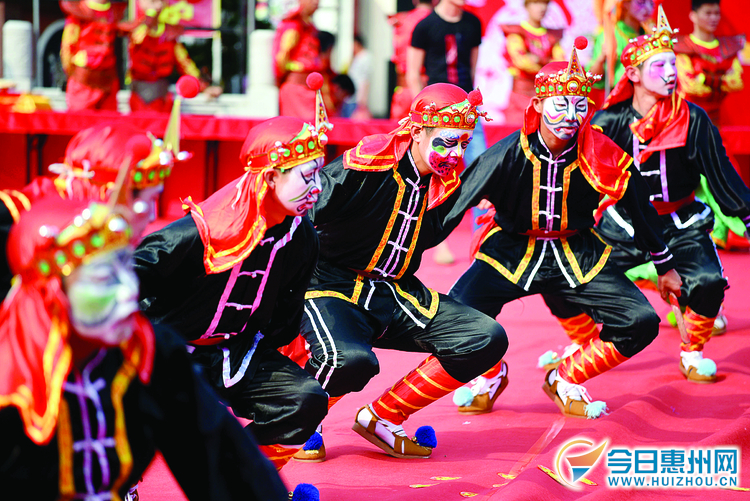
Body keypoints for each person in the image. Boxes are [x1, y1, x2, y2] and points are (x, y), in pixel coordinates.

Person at [0, 189, 289, 500]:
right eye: (104, 278)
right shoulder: (10, 386)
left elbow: (228, 468)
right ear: (52, 291)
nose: (129, 290)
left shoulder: (149, 355)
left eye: (126, 265)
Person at [448, 37, 682, 419]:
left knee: (641, 321)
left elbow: (639, 207)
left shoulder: (601, 151)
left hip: (577, 253)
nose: (572, 115)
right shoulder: (506, 154)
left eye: (580, 105)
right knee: (452, 318)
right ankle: (489, 374)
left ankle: (566, 377)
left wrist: (665, 265)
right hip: (511, 251)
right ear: (539, 105)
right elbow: (452, 203)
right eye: (561, 104)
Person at [292, 83, 508, 462]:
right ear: (417, 132)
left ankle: (384, 417)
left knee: (485, 338)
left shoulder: (444, 183)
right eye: (447, 142)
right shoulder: (368, 162)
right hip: (332, 286)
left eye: (463, 144)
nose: (455, 154)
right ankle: (302, 418)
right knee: (352, 361)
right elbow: (303, 209)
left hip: (396, 292)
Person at [134, 79, 332, 470]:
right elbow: (135, 275)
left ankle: (242, 478)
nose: (317, 187)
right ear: (270, 177)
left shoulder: (302, 236)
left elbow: (286, 313)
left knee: (305, 399)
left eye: (318, 175)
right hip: (169, 352)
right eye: (307, 176)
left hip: (236, 352)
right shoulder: (204, 229)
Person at [583, 6, 750, 384]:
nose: (671, 72)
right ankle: (582, 343)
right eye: (659, 66)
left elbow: (721, 173)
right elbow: (582, 174)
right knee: (575, 280)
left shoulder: (693, 118)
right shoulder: (609, 122)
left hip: (679, 221)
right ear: (633, 74)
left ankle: (692, 352)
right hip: (624, 224)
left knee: (709, 282)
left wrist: (747, 215)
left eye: (673, 64)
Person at [408, 0, 484, 265]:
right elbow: (413, 73)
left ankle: (481, 240)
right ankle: (437, 242)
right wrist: (420, 113)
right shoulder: (425, 26)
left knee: (481, 170)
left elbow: (472, 69)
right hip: (435, 112)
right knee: (432, 173)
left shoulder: (473, 23)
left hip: (467, 112)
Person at [125, 0, 223, 113]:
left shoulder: (170, 34)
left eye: (158, 1)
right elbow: (137, 39)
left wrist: (203, 87)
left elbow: (185, 63)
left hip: (161, 96)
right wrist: (148, 20)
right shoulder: (135, 30)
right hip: (138, 94)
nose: (156, 6)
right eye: (151, 1)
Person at [674, 0, 744, 124]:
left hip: (715, 119)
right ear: (693, 15)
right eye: (708, 13)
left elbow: (737, 83)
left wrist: (703, 78)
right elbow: (689, 86)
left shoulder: (728, 47)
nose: (713, 18)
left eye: (716, 13)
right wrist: (722, 80)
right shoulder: (683, 46)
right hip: (687, 118)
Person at [501, 0, 565, 125]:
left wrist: (537, 59)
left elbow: (560, 66)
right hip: (520, 97)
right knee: (516, 133)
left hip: (546, 97)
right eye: (536, 3)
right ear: (526, 6)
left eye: (545, 3)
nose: (542, 8)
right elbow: (521, 62)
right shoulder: (516, 32)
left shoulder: (553, 36)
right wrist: (548, 63)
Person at [59, 0, 127, 111]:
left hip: (108, 80)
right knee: (81, 118)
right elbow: (68, 46)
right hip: (84, 81)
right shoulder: (79, 11)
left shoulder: (115, 11)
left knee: (108, 119)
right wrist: (71, 72)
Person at [589, 0, 654, 96]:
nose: (648, 8)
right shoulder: (610, 34)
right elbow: (592, 77)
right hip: (620, 96)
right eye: (641, 2)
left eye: (651, 4)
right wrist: (602, 57)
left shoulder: (650, 35)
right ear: (625, 4)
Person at [273, 0, 323, 118]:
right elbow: (281, 57)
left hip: (309, 88)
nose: (316, 2)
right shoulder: (293, 24)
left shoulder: (309, 25)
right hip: (296, 89)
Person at [388, 0, 433, 119]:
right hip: (431, 90)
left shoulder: (403, 20)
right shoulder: (438, 21)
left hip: (403, 89)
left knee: (400, 128)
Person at [341, 34, 372, 120]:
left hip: (358, 96)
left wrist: (362, 99)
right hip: (351, 95)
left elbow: (365, 80)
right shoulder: (356, 57)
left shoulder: (365, 57)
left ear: (357, 44)